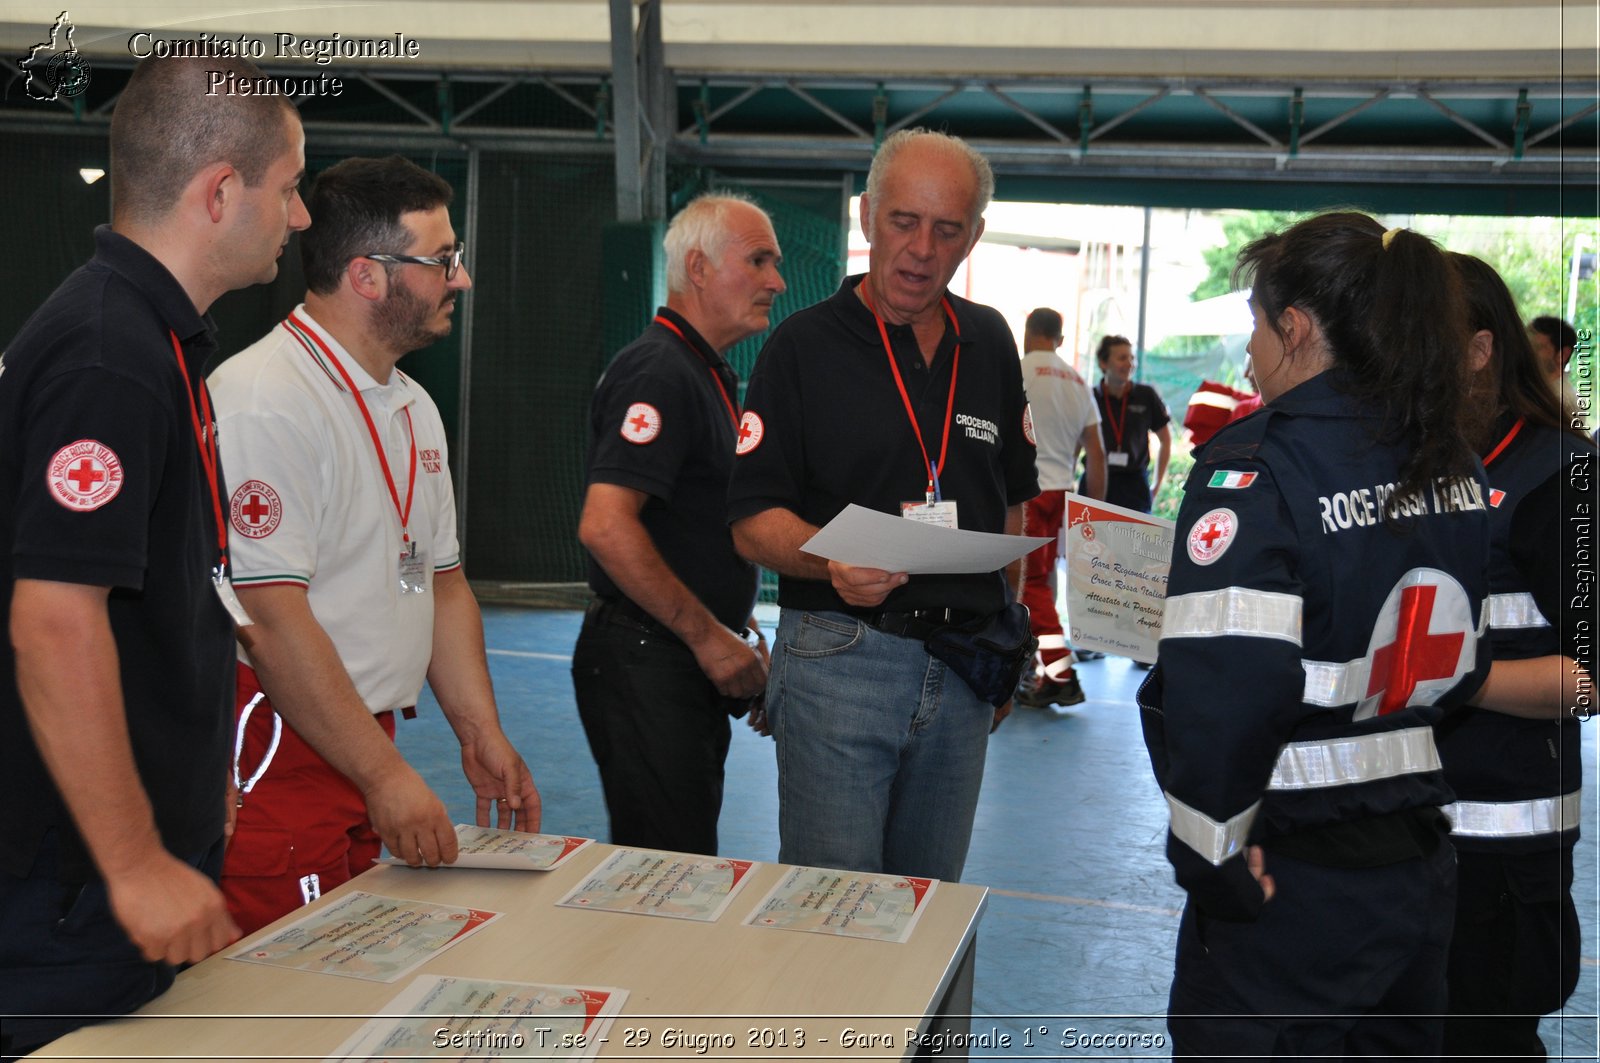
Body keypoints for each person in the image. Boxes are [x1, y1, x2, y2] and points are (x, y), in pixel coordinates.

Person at [0, 55, 310, 1054]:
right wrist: (134, 861)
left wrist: (189, 771)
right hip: (69, 882)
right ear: (221, 191)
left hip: (98, 866)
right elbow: (53, 618)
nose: (300, 218)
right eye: (291, 188)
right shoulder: (110, 356)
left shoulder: (149, 337)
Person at [1140, 213, 1491, 1057]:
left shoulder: (1254, 471)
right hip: (1414, 875)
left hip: (1288, 884)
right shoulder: (1453, 463)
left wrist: (1211, 856)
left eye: (1256, 325)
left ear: (1294, 327)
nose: (1252, 351)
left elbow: (1222, 697)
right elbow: (1465, 668)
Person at [208, 155, 539, 936]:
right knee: (283, 1003)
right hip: (277, 748)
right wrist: (386, 775)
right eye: (441, 260)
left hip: (356, 744)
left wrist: (479, 730)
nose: (459, 278)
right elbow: (271, 618)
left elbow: (443, 583)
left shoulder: (414, 405)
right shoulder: (264, 402)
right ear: (366, 275)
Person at [728, 129, 1038, 883]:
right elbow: (751, 520)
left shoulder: (990, 341)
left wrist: (1006, 640)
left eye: (947, 229)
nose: (922, 249)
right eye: (904, 221)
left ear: (975, 236)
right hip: (840, 658)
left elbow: (1013, 507)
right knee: (830, 919)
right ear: (866, 217)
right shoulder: (801, 347)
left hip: (964, 667)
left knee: (926, 914)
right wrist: (828, 561)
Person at [572, 193, 784, 856]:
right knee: (666, 876)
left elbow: (688, 524)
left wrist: (733, 628)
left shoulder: (701, 371)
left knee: (679, 863)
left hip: (672, 656)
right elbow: (607, 526)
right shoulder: (660, 370)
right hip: (649, 659)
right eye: (758, 261)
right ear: (698, 267)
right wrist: (709, 637)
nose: (776, 281)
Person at [1437, 256, 1596, 1062]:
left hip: (1504, 852)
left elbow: (1593, 674)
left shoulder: (1559, 476)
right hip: (1400, 844)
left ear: (1480, 350)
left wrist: (1458, 681)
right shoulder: (1408, 463)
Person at [1014, 307, 1105, 708]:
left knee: (1027, 586)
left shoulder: (1015, 370)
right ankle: (1031, 670)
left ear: (1027, 333)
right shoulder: (1077, 380)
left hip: (1026, 496)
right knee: (1040, 585)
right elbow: (1097, 455)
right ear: (1060, 340)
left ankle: (1060, 674)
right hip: (1061, 496)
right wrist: (1095, 517)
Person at [1086, 334, 1170, 513]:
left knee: (1135, 541)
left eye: (1132, 358)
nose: (1129, 364)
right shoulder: (1090, 397)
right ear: (1103, 363)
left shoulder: (1146, 395)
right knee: (1091, 540)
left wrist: (1156, 484)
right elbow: (1077, 443)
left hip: (1134, 486)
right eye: (1122, 358)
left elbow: (1165, 439)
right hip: (1096, 481)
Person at [1528, 314, 1589, 433]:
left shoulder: (1565, 401)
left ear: (1563, 355)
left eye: (1537, 347)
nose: (1529, 353)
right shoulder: (1532, 388)